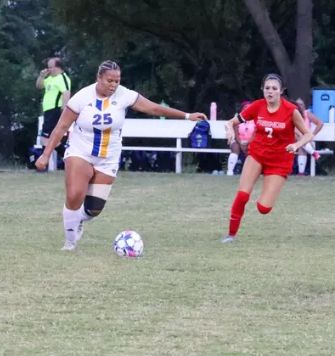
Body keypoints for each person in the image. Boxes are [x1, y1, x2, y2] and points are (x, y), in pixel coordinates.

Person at [35, 60, 207, 251]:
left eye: (117, 81)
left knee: (94, 209)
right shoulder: (82, 97)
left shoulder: (124, 94)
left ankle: (79, 218)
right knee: (75, 194)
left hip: (109, 156)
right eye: (109, 80)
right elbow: (61, 127)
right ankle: (69, 243)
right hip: (80, 150)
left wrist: (187, 116)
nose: (113, 85)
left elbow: (154, 108)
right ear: (98, 78)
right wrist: (45, 155)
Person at [221, 74, 314, 243]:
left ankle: (267, 187)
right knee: (242, 195)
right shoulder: (257, 106)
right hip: (257, 155)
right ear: (262, 89)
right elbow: (232, 121)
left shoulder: (290, 110)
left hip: (279, 161)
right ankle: (231, 235)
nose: (270, 92)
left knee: (263, 208)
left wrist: (296, 145)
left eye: (274, 88)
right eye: (267, 88)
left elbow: (308, 135)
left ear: (281, 91)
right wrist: (229, 128)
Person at [36, 57, 71, 169]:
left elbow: (66, 93)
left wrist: (64, 111)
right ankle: (70, 161)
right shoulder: (50, 78)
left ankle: (41, 166)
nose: (49, 69)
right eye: (48, 67)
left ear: (58, 67)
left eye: (51, 67)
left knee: (45, 138)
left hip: (56, 111)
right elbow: (39, 86)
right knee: (53, 140)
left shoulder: (63, 78)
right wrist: (42, 76)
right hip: (48, 111)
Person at [294, 97, 324, 175]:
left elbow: (320, 123)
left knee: (301, 145)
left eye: (301, 104)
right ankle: (313, 152)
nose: (299, 106)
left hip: (305, 139)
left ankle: (301, 173)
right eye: (297, 104)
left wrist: (312, 135)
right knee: (296, 132)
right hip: (293, 138)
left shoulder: (307, 114)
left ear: (304, 106)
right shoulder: (292, 114)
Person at [226, 101, 255, 176]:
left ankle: (251, 172)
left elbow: (255, 133)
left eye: (249, 107)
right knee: (235, 147)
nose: (248, 109)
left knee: (254, 148)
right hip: (239, 141)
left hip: (252, 141)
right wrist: (240, 143)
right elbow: (236, 134)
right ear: (242, 109)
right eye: (245, 107)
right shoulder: (238, 118)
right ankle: (230, 171)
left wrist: (248, 142)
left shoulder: (256, 118)